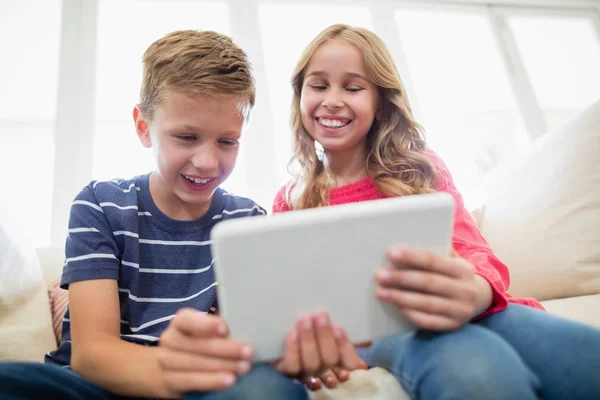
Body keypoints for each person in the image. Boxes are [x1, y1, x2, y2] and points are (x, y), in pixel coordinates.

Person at [0, 29, 364, 400]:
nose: (207, 162)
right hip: (97, 385)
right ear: (144, 128)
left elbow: (243, 344)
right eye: (186, 138)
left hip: (200, 386)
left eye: (227, 141)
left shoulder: (248, 221)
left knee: (268, 386)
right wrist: (184, 373)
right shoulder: (100, 204)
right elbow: (93, 354)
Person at [273, 23, 600, 399]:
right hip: (377, 332)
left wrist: (474, 292)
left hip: (474, 309)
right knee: (476, 370)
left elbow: (470, 248)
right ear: (300, 95)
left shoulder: (418, 167)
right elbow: (291, 305)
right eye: (318, 85)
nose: (332, 99)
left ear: (381, 101)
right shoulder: (291, 200)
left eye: (352, 87)